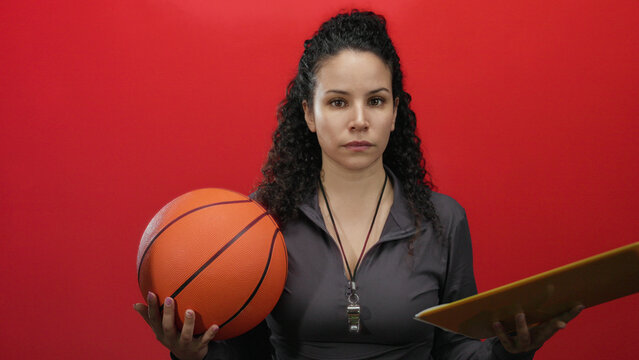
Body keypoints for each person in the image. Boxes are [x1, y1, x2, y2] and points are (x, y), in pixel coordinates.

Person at [134, 10, 583, 360]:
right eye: (337, 102)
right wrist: (191, 353)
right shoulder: (260, 224)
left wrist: (511, 350)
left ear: (394, 113)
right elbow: (247, 353)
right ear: (309, 116)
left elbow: (454, 351)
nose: (360, 120)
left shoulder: (444, 220)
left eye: (376, 100)